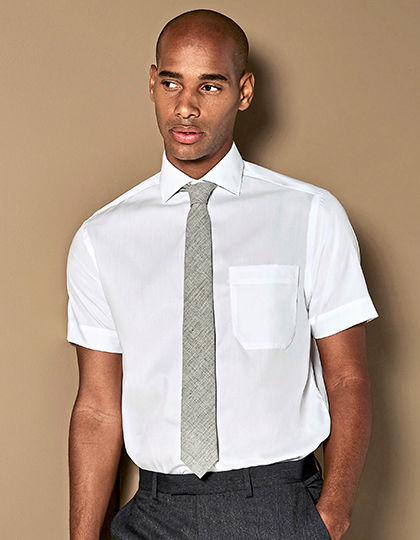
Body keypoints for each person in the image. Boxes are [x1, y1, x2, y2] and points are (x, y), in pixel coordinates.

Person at [67, 9, 378, 540]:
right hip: (154, 512)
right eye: (172, 83)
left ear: (244, 91)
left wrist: (332, 516)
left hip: (279, 507)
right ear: (152, 83)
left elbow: (347, 377)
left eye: (209, 86)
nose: (185, 106)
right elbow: (97, 408)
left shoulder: (309, 215)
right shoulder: (102, 237)